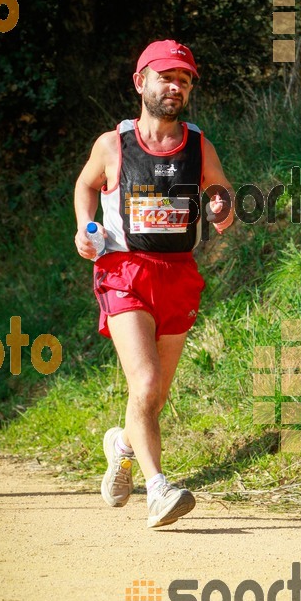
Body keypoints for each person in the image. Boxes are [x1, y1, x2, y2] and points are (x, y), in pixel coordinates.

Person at [74, 40, 234, 528]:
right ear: (140, 81)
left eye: (184, 80)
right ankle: (158, 489)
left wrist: (221, 206)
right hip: (123, 271)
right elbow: (85, 185)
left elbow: (220, 190)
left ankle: (121, 445)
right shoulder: (112, 144)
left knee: (155, 394)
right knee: (143, 382)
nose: (176, 86)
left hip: (179, 273)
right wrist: (84, 227)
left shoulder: (197, 144)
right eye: (166, 76)